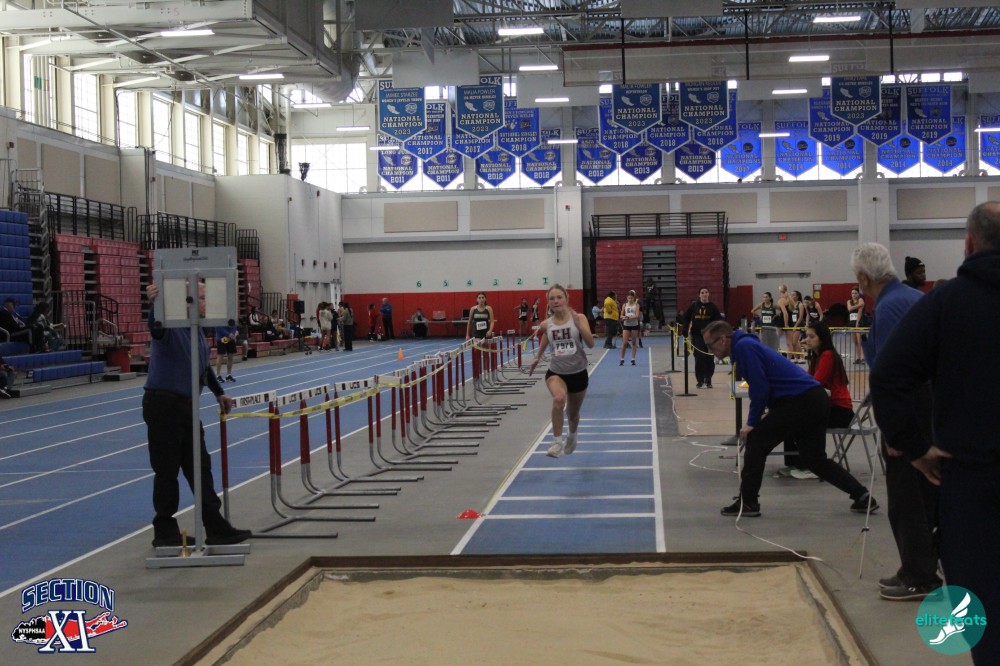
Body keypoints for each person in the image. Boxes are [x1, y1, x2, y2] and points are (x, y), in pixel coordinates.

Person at [870, 202, 1000, 663]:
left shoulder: (946, 302)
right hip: (971, 478)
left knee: (980, 603)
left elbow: (888, 375)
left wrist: (915, 447)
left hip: (972, 479)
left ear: (968, 244)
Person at [702, 321, 877, 518]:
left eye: (709, 345)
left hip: (802, 401)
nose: (709, 350)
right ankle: (862, 496)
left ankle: (749, 502)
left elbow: (760, 388)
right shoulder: (746, 346)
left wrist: (751, 423)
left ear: (723, 339)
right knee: (814, 459)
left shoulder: (744, 347)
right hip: (815, 399)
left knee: (756, 440)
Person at [852, 241, 941, 603]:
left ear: (863, 278)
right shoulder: (913, 298)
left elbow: (892, 376)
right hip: (929, 405)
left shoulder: (889, 308)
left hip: (910, 408)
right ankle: (916, 567)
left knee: (906, 498)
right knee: (923, 494)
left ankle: (920, 576)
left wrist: (894, 430)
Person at [143, 283, 251, 548]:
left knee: (200, 467)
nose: (207, 302)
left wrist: (219, 393)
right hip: (163, 404)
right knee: (167, 470)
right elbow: (155, 327)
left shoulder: (198, 331)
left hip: (187, 406)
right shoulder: (170, 325)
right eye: (203, 297)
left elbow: (203, 366)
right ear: (187, 301)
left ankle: (214, 526)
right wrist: (155, 303)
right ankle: (165, 531)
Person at [528, 284, 595, 458]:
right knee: (558, 399)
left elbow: (590, 343)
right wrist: (537, 357)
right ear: (548, 303)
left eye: (559, 297)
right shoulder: (546, 324)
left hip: (578, 373)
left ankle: (572, 435)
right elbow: (545, 337)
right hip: (556, 372)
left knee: (573, 415)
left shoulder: (579, 318)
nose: (556, 301)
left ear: (566, 298)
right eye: (552, 298)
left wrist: (579, 326)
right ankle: (556, 442)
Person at [683, 287, 723, 389]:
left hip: (710, 336)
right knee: (699, 357)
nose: (704, 294)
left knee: (709, 358)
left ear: (708, 294)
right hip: (697, 335)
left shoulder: (713, 307)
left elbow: (719, 320)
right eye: (702, 292)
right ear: (699, 295)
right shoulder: (694, 306)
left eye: (706, 292)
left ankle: (708, 380)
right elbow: (687, 318)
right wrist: (684, 329)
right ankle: (700, 380)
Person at [619, 290, 641, 366]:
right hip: (626, 325)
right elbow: (621, 315)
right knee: (625, 342)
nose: (630, 299)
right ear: (627, 298)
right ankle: (622, 358)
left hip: (634, 324)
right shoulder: (624, 305)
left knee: (634, 342)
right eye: (629, 298)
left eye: (631, 298)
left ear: (633, 298)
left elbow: (637, 315)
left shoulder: (637, 305)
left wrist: (630, 317)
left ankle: (633, 359)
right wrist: (624, 317)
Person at [847, 287, 867, 364]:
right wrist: (858, 305)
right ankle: (858, 357)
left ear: (858, 294)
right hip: (851, 323)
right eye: (852, 293)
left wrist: (857, 322)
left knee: (859, 341)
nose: (854, 295)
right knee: (855, 341)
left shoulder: (861, 300)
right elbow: (849, 309)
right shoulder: (849, 301)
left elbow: (860, 311)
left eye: (855, 293)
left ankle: (862, 357)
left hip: (859, 323)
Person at [787, 290, 807, 362]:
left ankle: (802, 357)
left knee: (795, 342)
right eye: (791, 295)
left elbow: (801, 317)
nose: (792, 296)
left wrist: (795, 326)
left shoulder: (800, 304)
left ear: (797, 296)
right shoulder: (790, 304)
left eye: (793, 295)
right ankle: (796, 357)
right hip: (792, 325)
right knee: (793, 342)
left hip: (798, 324)